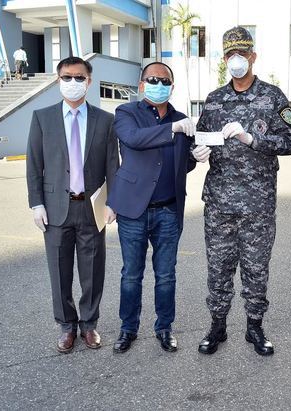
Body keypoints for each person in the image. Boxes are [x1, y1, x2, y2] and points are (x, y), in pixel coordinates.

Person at [193, 26, 291, 356]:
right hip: (220, 202)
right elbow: (200, 138)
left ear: (252, 56)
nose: (236, 59)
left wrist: (252, 139)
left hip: (258, 203)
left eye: (241, 53)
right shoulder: (214, 100)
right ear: (224, 59)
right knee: (219, 267)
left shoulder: (273, 97)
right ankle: (218, 326)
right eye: (229, 54)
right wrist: (196, 152)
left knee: (256, 267)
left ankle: (254, 326)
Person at [26, 56, 119, 353]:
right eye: (67, 77)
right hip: (55, 208)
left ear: (89, 82)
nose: (73, 83)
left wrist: (111, 202)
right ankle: (67, 326)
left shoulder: (105, 120)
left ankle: (89, 325)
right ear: (58, 80)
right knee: (59, 270)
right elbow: (34, 165)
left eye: (80, 78)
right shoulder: (42, 118)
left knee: (93, 270)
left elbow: (112, 166)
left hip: (91, 207)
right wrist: (36, 203)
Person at [107, 62, 196, 354]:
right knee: (131, 274)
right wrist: (171, 129)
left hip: (168, 210)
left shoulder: (181, 118)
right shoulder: (126, 113)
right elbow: (133, 139)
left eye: (165, 80)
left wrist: (196, 155)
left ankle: (164, 328)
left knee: (166, 274)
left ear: (172, 86)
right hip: (134, 209)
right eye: (152, 79)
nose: (159, 83)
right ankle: (128, 328)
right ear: (142, 83)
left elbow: (183, 162)